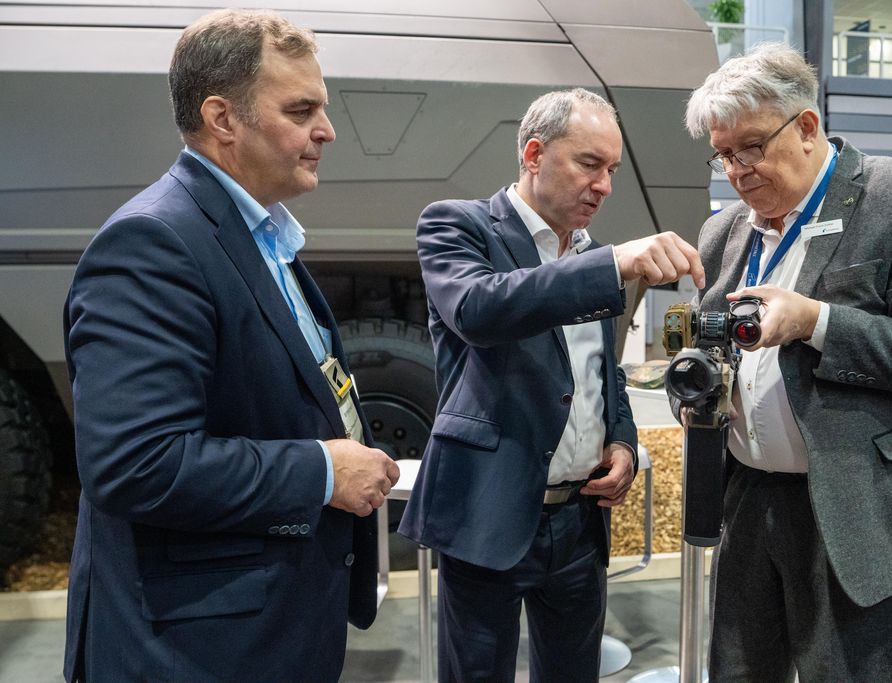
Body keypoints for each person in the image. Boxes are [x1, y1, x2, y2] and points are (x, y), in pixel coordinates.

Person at [62, 9, 399, 682]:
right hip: (194, 648)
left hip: (264, 626)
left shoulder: (261, 236)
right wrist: (322, 472)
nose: (326, 131)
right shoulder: (154, 244)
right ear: (223, 119)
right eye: (301, 110)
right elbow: (136, 462)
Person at [682, 43, 892, 681]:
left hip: (855, 509)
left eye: (752, 148)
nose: (736, 170)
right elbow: (715, 348)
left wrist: (814, 322)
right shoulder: (724, 231)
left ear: (807, 127)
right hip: (749, 499)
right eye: (724, 155)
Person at [399, 88, 704, 682]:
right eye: (590, 164)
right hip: (489, 509)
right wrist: (612, 265)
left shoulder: (587, 254)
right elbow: (481, 311)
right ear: (534, 154)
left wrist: (621, 441)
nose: (605, 186)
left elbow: (600, 371)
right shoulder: (457, 224)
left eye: (612, 170)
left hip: (578, 520)